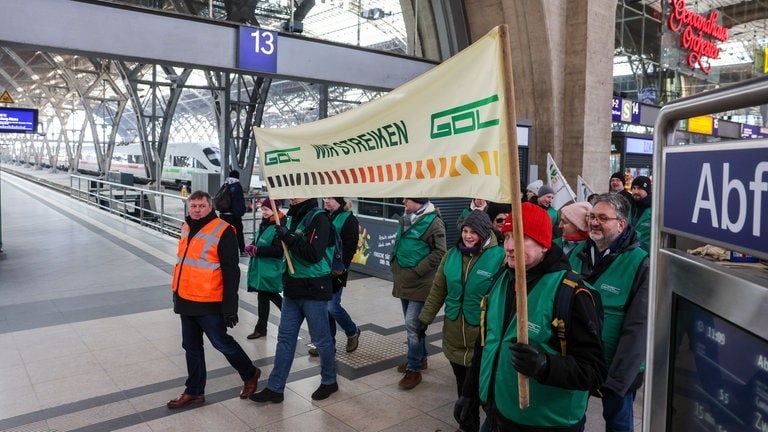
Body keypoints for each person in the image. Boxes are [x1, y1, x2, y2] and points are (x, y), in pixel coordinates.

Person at [458, 202, 606, 431]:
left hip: (543, 423)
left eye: (519, 238)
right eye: (506, 237)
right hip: (496, 413)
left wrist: (545, 365)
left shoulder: (572, 293)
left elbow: (594, 371)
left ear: (544, 244)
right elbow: (486, 342)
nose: (508, 246)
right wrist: (470, 393)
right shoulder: (502, 279)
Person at [167, 190, 260, 409]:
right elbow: (184, 264)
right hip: (185, 299)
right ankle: (194, 391)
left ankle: (250, 373)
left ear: (211, 207)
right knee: (191, 347)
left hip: (209, 301)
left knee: (221, 343)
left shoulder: (223, 231)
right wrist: (176, 293)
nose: (197, 210)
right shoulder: (186, 227)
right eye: (193, 206)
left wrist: (230, 307)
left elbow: (231, 272)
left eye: (202, 206)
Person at [568, 193, 650, 432]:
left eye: (602, 217)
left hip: (617, 368)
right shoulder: (576, 255)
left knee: (618, 423)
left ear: (621, 224)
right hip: (579, 362)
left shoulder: (640, 264)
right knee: (572, 419)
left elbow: (639, 328)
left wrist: (618, 380)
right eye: (592, 216)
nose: (594, 222)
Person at [419, 210, 505, 432]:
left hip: (483, 339)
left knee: (484, 391)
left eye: (473, 232)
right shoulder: (451, 256)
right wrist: (425, 319)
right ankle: (467, 426)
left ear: (484, 234)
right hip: (454, 334)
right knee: (463, 388)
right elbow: (438, 290)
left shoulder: (500, 257)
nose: (467, 236)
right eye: (465, 231)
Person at [249, 197, 339, 403]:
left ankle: (329, 381)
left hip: (314, 288)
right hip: (292, 288)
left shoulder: (319, 219)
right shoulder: (290, 218)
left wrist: (288, 237)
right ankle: (275, 387)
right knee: (285, 339)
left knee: (321, 340)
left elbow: (314, 254)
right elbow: (284, 250)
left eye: (296, 193)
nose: (291, 196)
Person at [390, 197, 447, 390]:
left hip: (421, 282)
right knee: (415, 325)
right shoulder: (408, 216)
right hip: (404, 280)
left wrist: (418, 270)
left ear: (419, 200)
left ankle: (413, 369)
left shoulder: (434, 222)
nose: (404, 201)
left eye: (408, 198)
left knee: (412, 325)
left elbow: (441, 251)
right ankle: (420, 358)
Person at [307, 197, 361, 356]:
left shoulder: (349, 220)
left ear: (340, 200)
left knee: (332, 306)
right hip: (321, 269)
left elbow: (350, 247)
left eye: (330, 198)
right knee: (324, 308)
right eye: (325, 198)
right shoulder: (324, 215)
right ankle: (328, 344)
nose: (326, 201)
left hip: (337, 271)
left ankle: (352, 331)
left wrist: (341, 269)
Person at [244, 197, 285, 340]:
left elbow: (279, 251)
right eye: (262, 209)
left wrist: (257, 250)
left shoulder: (279, 225)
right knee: (264, 297)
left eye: (266, 209)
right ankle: (261, 328)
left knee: (268, 296)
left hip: (271, 268)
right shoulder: (265, 223)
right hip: (263, 268)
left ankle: (289, 320)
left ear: (275, 209)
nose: (264, 212)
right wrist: (253, 246)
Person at [218, 170, 247, 256]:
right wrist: (240, 213)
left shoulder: (225, 184)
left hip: (223, 215)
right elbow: (239, 201)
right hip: (233, 216)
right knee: (239, 233)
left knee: (224, 233)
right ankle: (242, 251)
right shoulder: (237, 186)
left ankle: (223, 250)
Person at [629, 176, 652, 252]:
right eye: (634, 188)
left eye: (639, 188)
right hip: (629, 252)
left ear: (647, 191)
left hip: (647, 254)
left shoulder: (653, 210)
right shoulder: (629, 207)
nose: (636, 191)